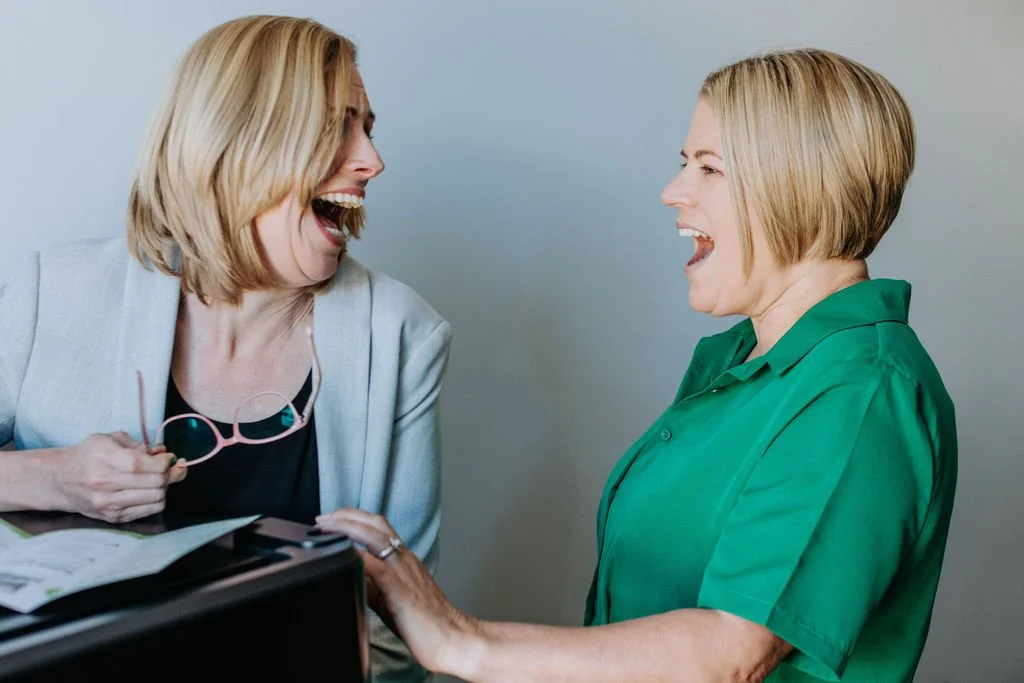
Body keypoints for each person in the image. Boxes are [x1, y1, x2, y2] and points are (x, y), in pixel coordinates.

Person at [317, 48, 958, 682]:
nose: (673, 190)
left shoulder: (864, 389)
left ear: (798, 183)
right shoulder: (735, 360)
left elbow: (735, 649)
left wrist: (463, 643)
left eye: (709, 168)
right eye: (685, 164)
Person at [0, 15, 449, 682]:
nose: (372, 161)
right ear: (235, 141)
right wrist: (57, 476)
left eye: (369, 127)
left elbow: (396, 627)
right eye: (337, 126)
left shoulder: (403, 334)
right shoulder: (49, 291)